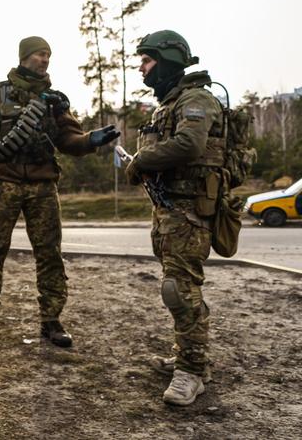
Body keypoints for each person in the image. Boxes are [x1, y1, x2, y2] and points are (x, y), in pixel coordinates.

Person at [0, 36, 119, 347]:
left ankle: (51, 320)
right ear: (24, 57)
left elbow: (70, 141)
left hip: (42, 185)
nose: (44, 60)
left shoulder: (54, 101)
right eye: (39, 54)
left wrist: (91, 140)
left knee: (49, 253)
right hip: (1, 183)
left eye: (48, 55)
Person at [125, 30, 222, 406]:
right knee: (180, 290)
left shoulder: (196, 98)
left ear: (166, 60)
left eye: (147, 61)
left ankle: (192, 373)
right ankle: (188, 355)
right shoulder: (170, 103)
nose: (142, 68)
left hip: (189, 212)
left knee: (180, 291)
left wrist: (142, 160)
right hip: (169, 211)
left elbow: (191, 144)